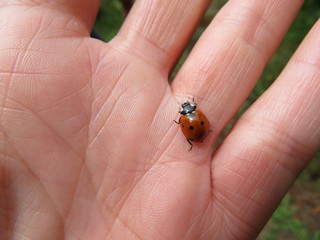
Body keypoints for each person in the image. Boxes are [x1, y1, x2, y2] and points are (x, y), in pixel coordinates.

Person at [0, 0, 319, 239]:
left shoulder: (187, 120)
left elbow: (192, 127)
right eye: (187, 113)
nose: (186, 114)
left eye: (186, 112)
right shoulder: (192, 120)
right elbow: (195, 126)